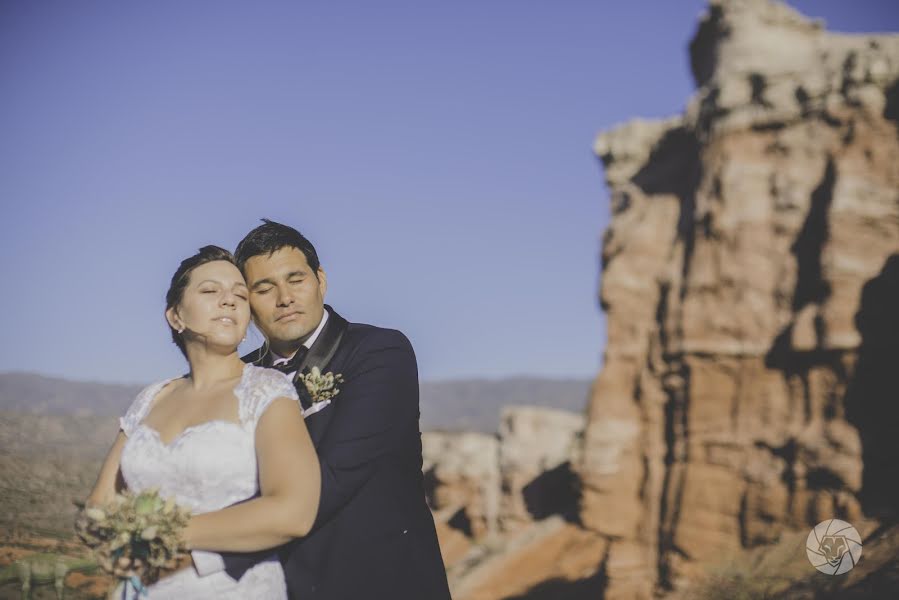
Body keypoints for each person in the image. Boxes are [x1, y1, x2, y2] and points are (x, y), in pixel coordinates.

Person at [191, 219, 452, 600]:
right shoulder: (235, 377)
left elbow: (333, 476)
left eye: (295, 280)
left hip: (382, 583)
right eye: (264, 288)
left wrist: (197, 547)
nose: (285, 298)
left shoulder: (378, 351)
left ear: (320, 280)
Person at [86, 245, 321, 599]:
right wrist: (117, 551)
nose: (229, 301)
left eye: (240, 295)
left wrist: (162, 536)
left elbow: (293, 513)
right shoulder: (151, 398)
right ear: (175, 316)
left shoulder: (267, 391)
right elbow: (100, 508)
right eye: (211, 291)